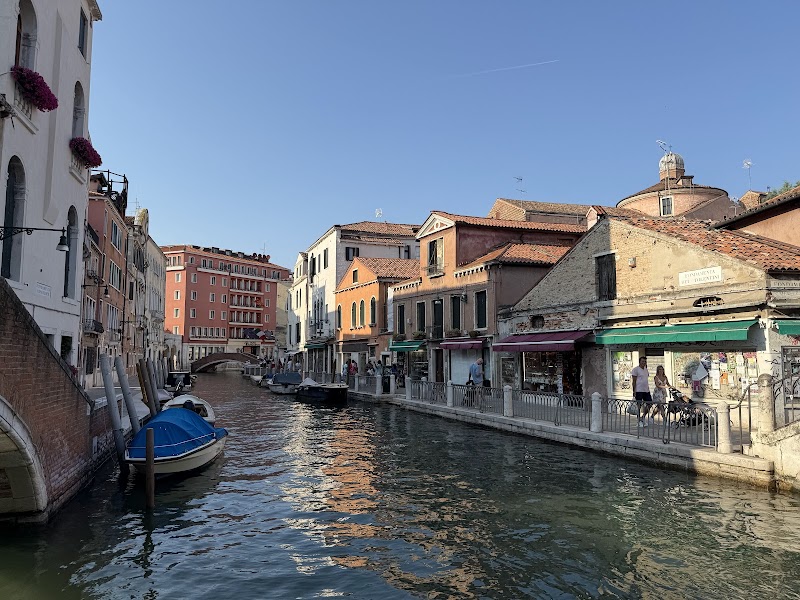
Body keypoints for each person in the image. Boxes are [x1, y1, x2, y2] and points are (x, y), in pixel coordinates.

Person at [631, 356, 652, 427]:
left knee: (650, 403)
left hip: (646, 390)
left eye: (645, 361)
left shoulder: (646, 369)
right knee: (639, 406)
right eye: (642, 361)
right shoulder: (636, 369)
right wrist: (634, 391)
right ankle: (638, 420)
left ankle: (643, 417)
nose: (644, 363)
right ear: (639, 362)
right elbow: (634, 381)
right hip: (639, 390)